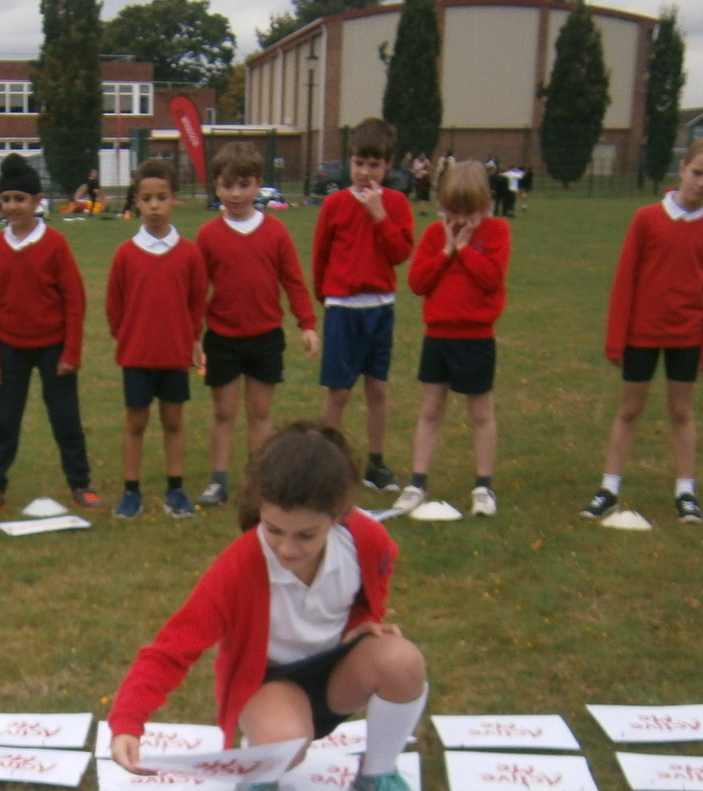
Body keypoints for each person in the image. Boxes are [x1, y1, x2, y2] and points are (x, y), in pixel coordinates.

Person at [105, 422, 434, 791]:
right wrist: (127, 721)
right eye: (274, 530)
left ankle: (377, 776)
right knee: (284, 743)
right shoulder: (238, 569)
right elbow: (173, 648)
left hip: (335, 671)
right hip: (269, 682)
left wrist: (366, 621)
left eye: (306, 535)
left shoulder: (366, 538)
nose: (287, 548)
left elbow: (377, 576)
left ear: (336, 516)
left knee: (403, 662)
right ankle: (261, 762)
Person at [580, 134, 703, 531]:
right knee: (630, 408)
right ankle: (608, 488)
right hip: (640, 334)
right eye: (697, 173)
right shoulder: (646, 219)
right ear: (682, 169)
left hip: (687, 336)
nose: (701, 183)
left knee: (681, 411)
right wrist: (616, 339)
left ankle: (685, 491)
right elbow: (625, 280)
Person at [0, 152, 104, 517]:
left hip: (53, 347)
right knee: (5, 421)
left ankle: (80, 484)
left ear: (36, 202)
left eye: (19, 199)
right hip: (9, 347)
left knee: (66, 420)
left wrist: (71, 352)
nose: (12, 207)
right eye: (6, 200)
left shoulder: (55, 244)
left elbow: (74, 300)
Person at [193, 141, 317, 507]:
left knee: (260, 413)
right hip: (223, 339)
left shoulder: (276, 232)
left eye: (243, 185)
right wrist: (194, 337)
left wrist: (307, 324)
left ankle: (259, 481)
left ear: (258, 184)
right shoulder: (208, 236)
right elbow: (197, 291)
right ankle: (218, 481)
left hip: (265, 337)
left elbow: (293, 280)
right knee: (224, 412)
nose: (235, 194)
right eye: (227, 186)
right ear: (216, 187)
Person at [401, 158, 508, 520]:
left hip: (476, 337)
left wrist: (464, 249)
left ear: (485, 205)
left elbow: (491, 279)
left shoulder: (496, 233)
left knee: (480, 411)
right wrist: (447, 250)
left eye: (470, 212)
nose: (460, 220)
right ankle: (417, 482)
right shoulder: (434, 236)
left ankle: (483, 485)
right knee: (431, 410)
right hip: (438, 337)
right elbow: (417, 283)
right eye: (453, 211)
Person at [312, 117, 414, 497]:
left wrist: (380, 217)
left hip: (380, 307)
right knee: (338, 393)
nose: (364, 172)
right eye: (359, 163)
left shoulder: (397, 205)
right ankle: (322, 463)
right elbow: (320, 255)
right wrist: (327, 299)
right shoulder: (335, 205)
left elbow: (400, 253)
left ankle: (376, 462)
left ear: (388, 166)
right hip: (343, 308)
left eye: (373, 165)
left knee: (378, 389)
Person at [106, 156, 207, 519]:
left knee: (174, 421)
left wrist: (190, 339)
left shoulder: (190, 253)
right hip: (136, 357)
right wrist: (132, 338)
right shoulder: (125, 255)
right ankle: (131, 491)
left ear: (174, 199)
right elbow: (114, 308)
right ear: (136, 200)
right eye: (146, 198)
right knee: (136, 422)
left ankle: (175, 490)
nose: (154, 206)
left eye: (161, 198)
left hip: (174, 356)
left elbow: (197, 302)